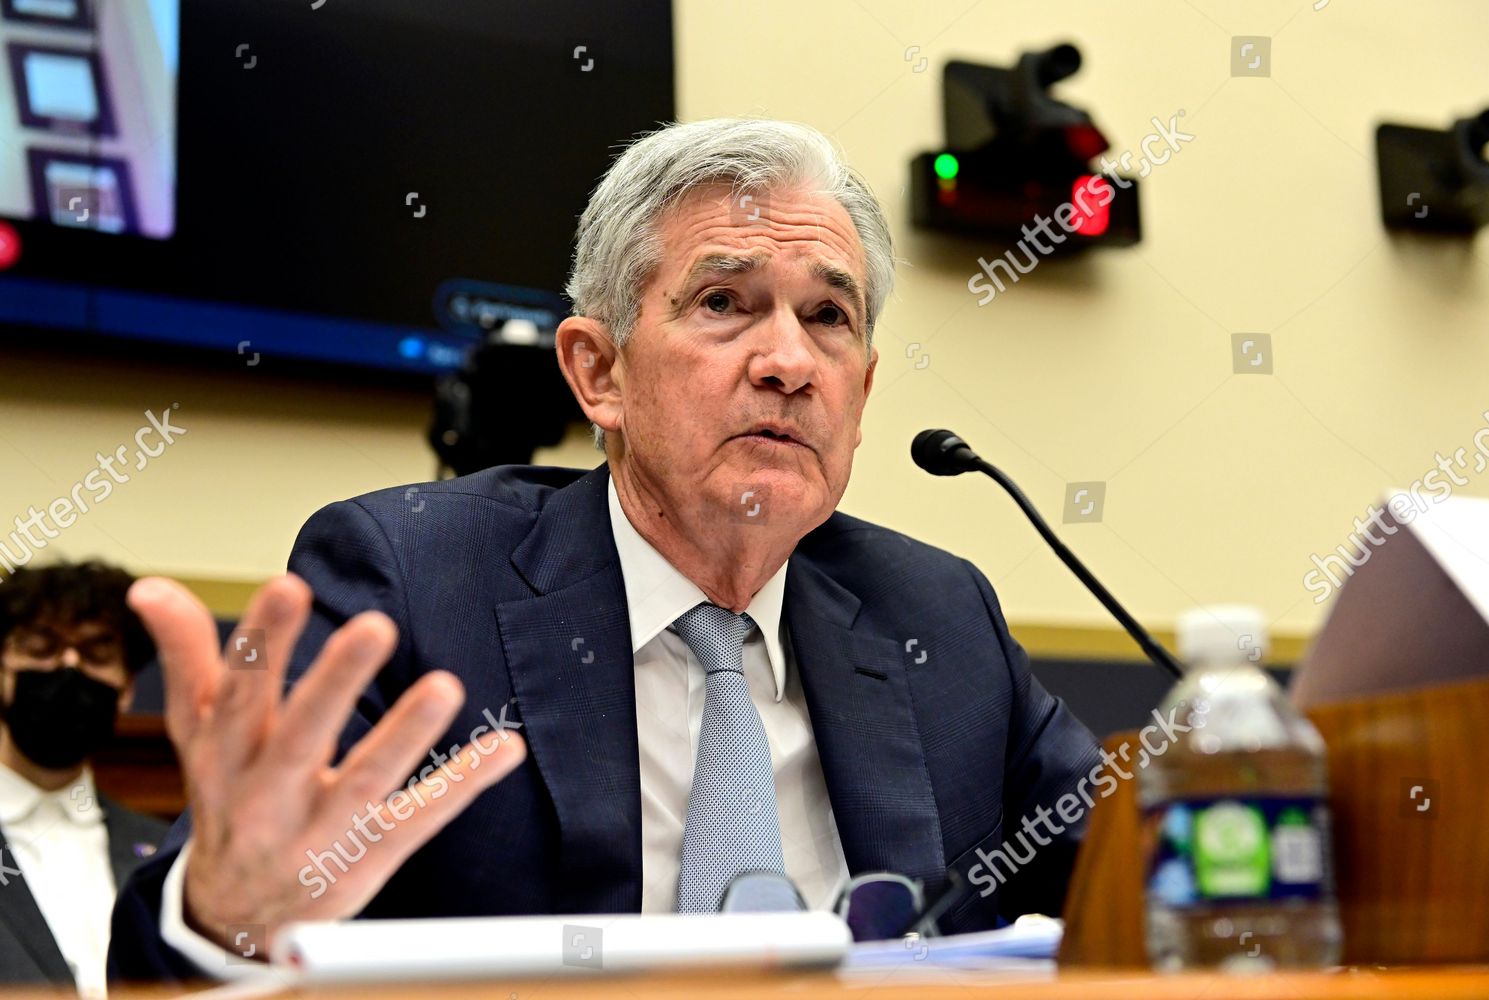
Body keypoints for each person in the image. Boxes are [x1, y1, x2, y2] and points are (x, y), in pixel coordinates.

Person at [109, 118, 1100, 981]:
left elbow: (1134, 885)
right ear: (597, 372)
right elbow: (178, 959)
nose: (791, 362)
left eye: (827, 316)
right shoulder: (411, 580)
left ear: (864, 391)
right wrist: (228, 919)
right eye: (725, 302)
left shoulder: (936, 615)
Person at [0, 561, 168, 997]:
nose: (68, 667)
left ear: (127, 687)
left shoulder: (166, 851)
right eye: (41, 646)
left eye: (97, 653)